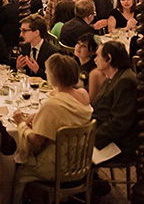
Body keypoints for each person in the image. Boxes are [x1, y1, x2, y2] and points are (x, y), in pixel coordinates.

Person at [11, 54, 92, 204]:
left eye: (48, 71)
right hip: (81, 161)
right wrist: (38, 115)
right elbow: (64, 110)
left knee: (16, 167)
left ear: (54, 77)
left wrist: (21, 123)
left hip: (57, 166)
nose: (46, 73)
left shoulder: (52, 106)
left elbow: (36, 141)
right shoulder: (83, 94)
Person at [93, 41, 138, 158]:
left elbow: (119, 123)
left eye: (98, 56)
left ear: (109, 58)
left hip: (119, 143)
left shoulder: (126, 81)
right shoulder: (112, 77)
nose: (95, 60)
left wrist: (91, 137)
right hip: (106, 134)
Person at [16, 15, 57, 79]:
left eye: (24, 31)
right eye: (21, 30)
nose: (21, 34)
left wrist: (37, 70)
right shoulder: (24, 47)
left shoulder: (52, 51)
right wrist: (19, 67)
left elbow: (55, 78)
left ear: (36, 33)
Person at [74, 33, 105, 103]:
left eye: (83, 46)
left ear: (93, 51)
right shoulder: (73, 62)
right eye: (78, 43)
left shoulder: (94, 70)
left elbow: (91, 98)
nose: (78, 47)